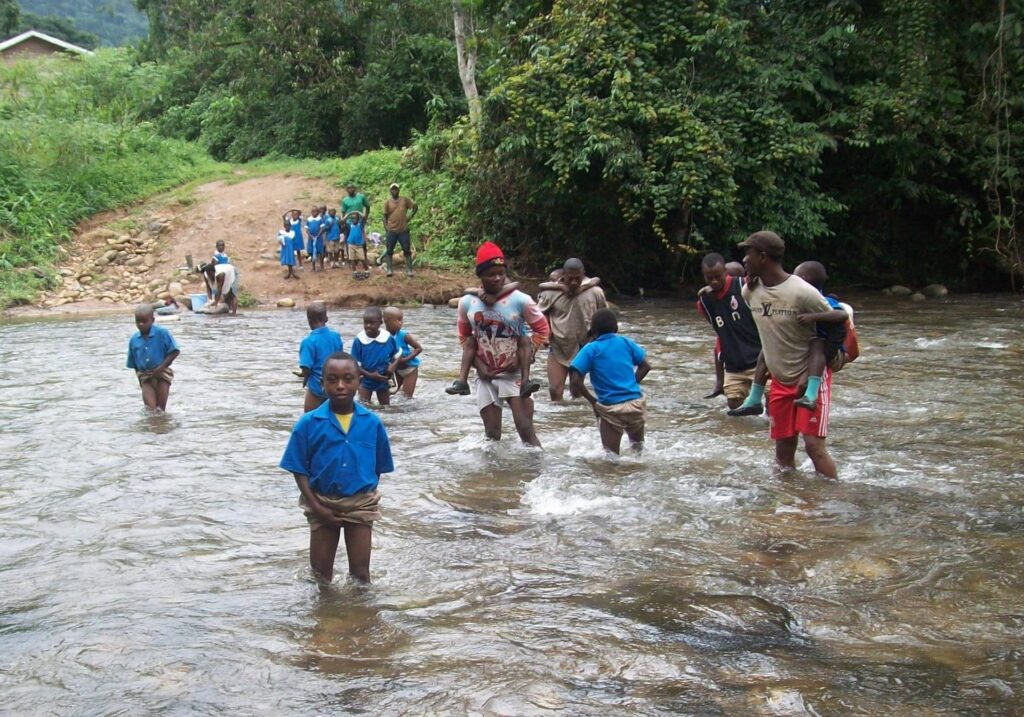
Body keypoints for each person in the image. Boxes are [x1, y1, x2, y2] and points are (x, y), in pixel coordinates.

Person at [279, 352, 394, 584]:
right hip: (321, 502)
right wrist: (315, 505)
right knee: (320, 578)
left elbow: (378, 468)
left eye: (348, 379)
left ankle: (361, 619)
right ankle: (325, 617)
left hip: (361, 504)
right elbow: (298, 468)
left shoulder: (372, 423)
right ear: (322, 384)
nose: (340, 385)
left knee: (361, 577)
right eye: (332, 379)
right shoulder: (309, 423)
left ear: (359, 381)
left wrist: (361, 491)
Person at [734, 231, 839, 479]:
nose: (744, 260)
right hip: (779, 381)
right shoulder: (750, 292)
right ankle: (785, 506)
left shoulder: (803, 292)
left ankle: (832, 505)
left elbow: (834, 329)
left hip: (809, 378)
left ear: (763, 257)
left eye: (748, 253)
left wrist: (811, 374)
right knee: (782, 450)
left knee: (814, 447)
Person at [453, 242, 549, 446]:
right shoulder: (467, 303)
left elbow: (542, 329)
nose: (497, 278)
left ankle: (538, 471)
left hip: (514, 374)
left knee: (525, 429)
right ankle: (494, 476)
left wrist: (524, 357)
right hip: (485, 374)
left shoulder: (521, 300)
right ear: (480, 276)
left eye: (501, 273)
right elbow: (464, 337)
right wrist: (479, 366)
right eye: (490, 274)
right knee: (492, 433)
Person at [569, 308, 651, 454]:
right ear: (616, 328)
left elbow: (575, 379)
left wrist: (593, 401)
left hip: (611, 408)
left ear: (592, 331)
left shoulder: (591, 349)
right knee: (639, 452)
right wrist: (632, 384)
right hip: (635, 404)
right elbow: (645, 366)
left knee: (611, 458)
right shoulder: (626, 342)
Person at [696, 253, 762, 410]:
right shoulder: (704, 303)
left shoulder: (744, 286)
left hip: (760, 359)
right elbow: (721, 336)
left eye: (718, 277)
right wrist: (719, 381)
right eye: (709, 278)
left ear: (725, 272)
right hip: (734, 364)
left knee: (772, 400)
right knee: (734, 405)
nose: (714, 281)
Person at [791, 260, 859, 409]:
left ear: (802, 280)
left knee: (817, 344)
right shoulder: (800, 300)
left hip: (833, 354)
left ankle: (810, 395)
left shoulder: (824, 301)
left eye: (794, 277)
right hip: (819, 353)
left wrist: (813, 317)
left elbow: (841, 314)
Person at [537, 258, 607, 400]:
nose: (574, 282)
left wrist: (598, 338)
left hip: (584, 345)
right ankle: (558, 420)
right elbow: (539, 313)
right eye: (570, 279)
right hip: (558, 344)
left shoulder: (595, 292)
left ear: (583, 275)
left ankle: (575, 419)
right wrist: (546, 331)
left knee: (576, 390)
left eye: (578, 278)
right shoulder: (550, 293)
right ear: (563, 275)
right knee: (555, 390)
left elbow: (603, 316)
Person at [126, 304, 180, 412]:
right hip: (145, 376)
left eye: (144, 321)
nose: (141, 324)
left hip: (162, 373)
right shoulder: (134, 340)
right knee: (151, 410)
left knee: (160, 410)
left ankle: (160, 428)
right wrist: (140, 379)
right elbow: (133, 363)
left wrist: (160, 368)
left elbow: (174, 351)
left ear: (153, 320)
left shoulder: (162, 333)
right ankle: (153, 425)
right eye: (138, 322)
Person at [296, 302, 345, 413]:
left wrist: (304, 377)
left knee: (309, 420)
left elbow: (306, 368)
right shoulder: (336, 337)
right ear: (326, 318)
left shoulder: (308, 342)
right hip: (334, 385)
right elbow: (341, 359)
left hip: (316, 388)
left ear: (309, 320)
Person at [350, 307, 400, 406]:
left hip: (383, 379)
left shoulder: (388, 338)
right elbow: (354, 364)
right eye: (365, 323)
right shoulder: (359, 340)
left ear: (380, 323)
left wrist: (391, 368)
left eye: (372, 323)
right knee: (364, 407)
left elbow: (398, 355)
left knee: (386, 408)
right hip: (365, 379)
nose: (368, 326)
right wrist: (370, 375)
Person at [383, 306, 423, 399]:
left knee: (407, 397)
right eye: (397, 320)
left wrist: (405, 359)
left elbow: (419, 348)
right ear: (386, 321)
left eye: (402, 320)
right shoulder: (384, 336)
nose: (401, 323)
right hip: (397, 370)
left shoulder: (404, 335)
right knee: (389, 394)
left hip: (410, 370)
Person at [382, 183, 418, 278]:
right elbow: (384, 216)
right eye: (393, 189)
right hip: (392, 230)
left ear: (399, 190)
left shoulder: (404, 200)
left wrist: (410, 216)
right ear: (390, 191)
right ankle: (389, 269)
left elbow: (414, 207)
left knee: (407, 250)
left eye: (396, 189)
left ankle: (409, 270)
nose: (394, 191)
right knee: (389, 250)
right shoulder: (387, 203)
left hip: (403, 230)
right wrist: (386, 228)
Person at [346, 211, 369, 279]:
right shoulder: (350, 224)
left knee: (362, 259)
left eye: (355, 218)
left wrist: (357, 212)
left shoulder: (360, 225)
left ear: (358, 219)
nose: (354, 220)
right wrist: (348, 214)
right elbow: (342, 221)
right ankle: (354, 272)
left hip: (359, 245)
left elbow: (364, 217)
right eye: (352, 218)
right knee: (352, 259)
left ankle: (366, 271)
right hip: (351, 244)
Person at [306, 206, 326, 272]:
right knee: (312, 252)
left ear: (318, 212)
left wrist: (318, 235)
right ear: (311, 212)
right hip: (311, 238)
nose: (314, 213)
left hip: (319, 238)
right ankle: (313, 266)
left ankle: (322, 266)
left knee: (320, 252)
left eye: (315, 211)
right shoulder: (309, 219)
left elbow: (322, 228)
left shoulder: (320, 219)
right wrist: (311, 236)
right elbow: (307, 229)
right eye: (313, 211)